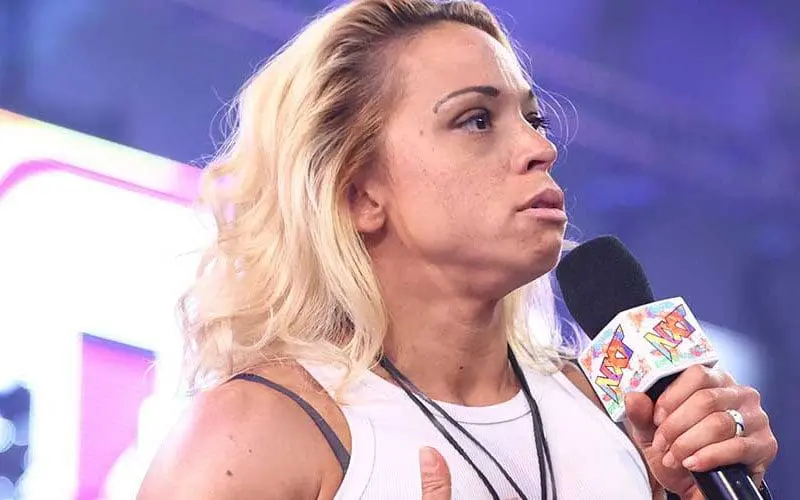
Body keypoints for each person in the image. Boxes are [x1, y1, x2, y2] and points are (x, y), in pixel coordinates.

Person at [137, 0, 778, 498]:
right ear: (360, 193)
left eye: (534, 119)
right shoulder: (256, 432)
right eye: (476, 119)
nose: (540, 148)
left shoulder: (623, 418)